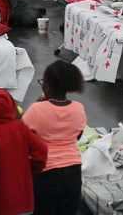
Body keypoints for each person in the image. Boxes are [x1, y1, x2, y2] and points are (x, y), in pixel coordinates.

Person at [22, 60, 87, 215]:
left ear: (47, 86)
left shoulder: (36, 109)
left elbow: (23, 137)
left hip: (45, 172)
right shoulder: (78, 109)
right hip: (73, 172)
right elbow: (77, 136)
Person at [0, 88, 49, 215]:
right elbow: (41, 151)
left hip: (1, 204)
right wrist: (30, 170)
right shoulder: (21, 128)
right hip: (25, 202)